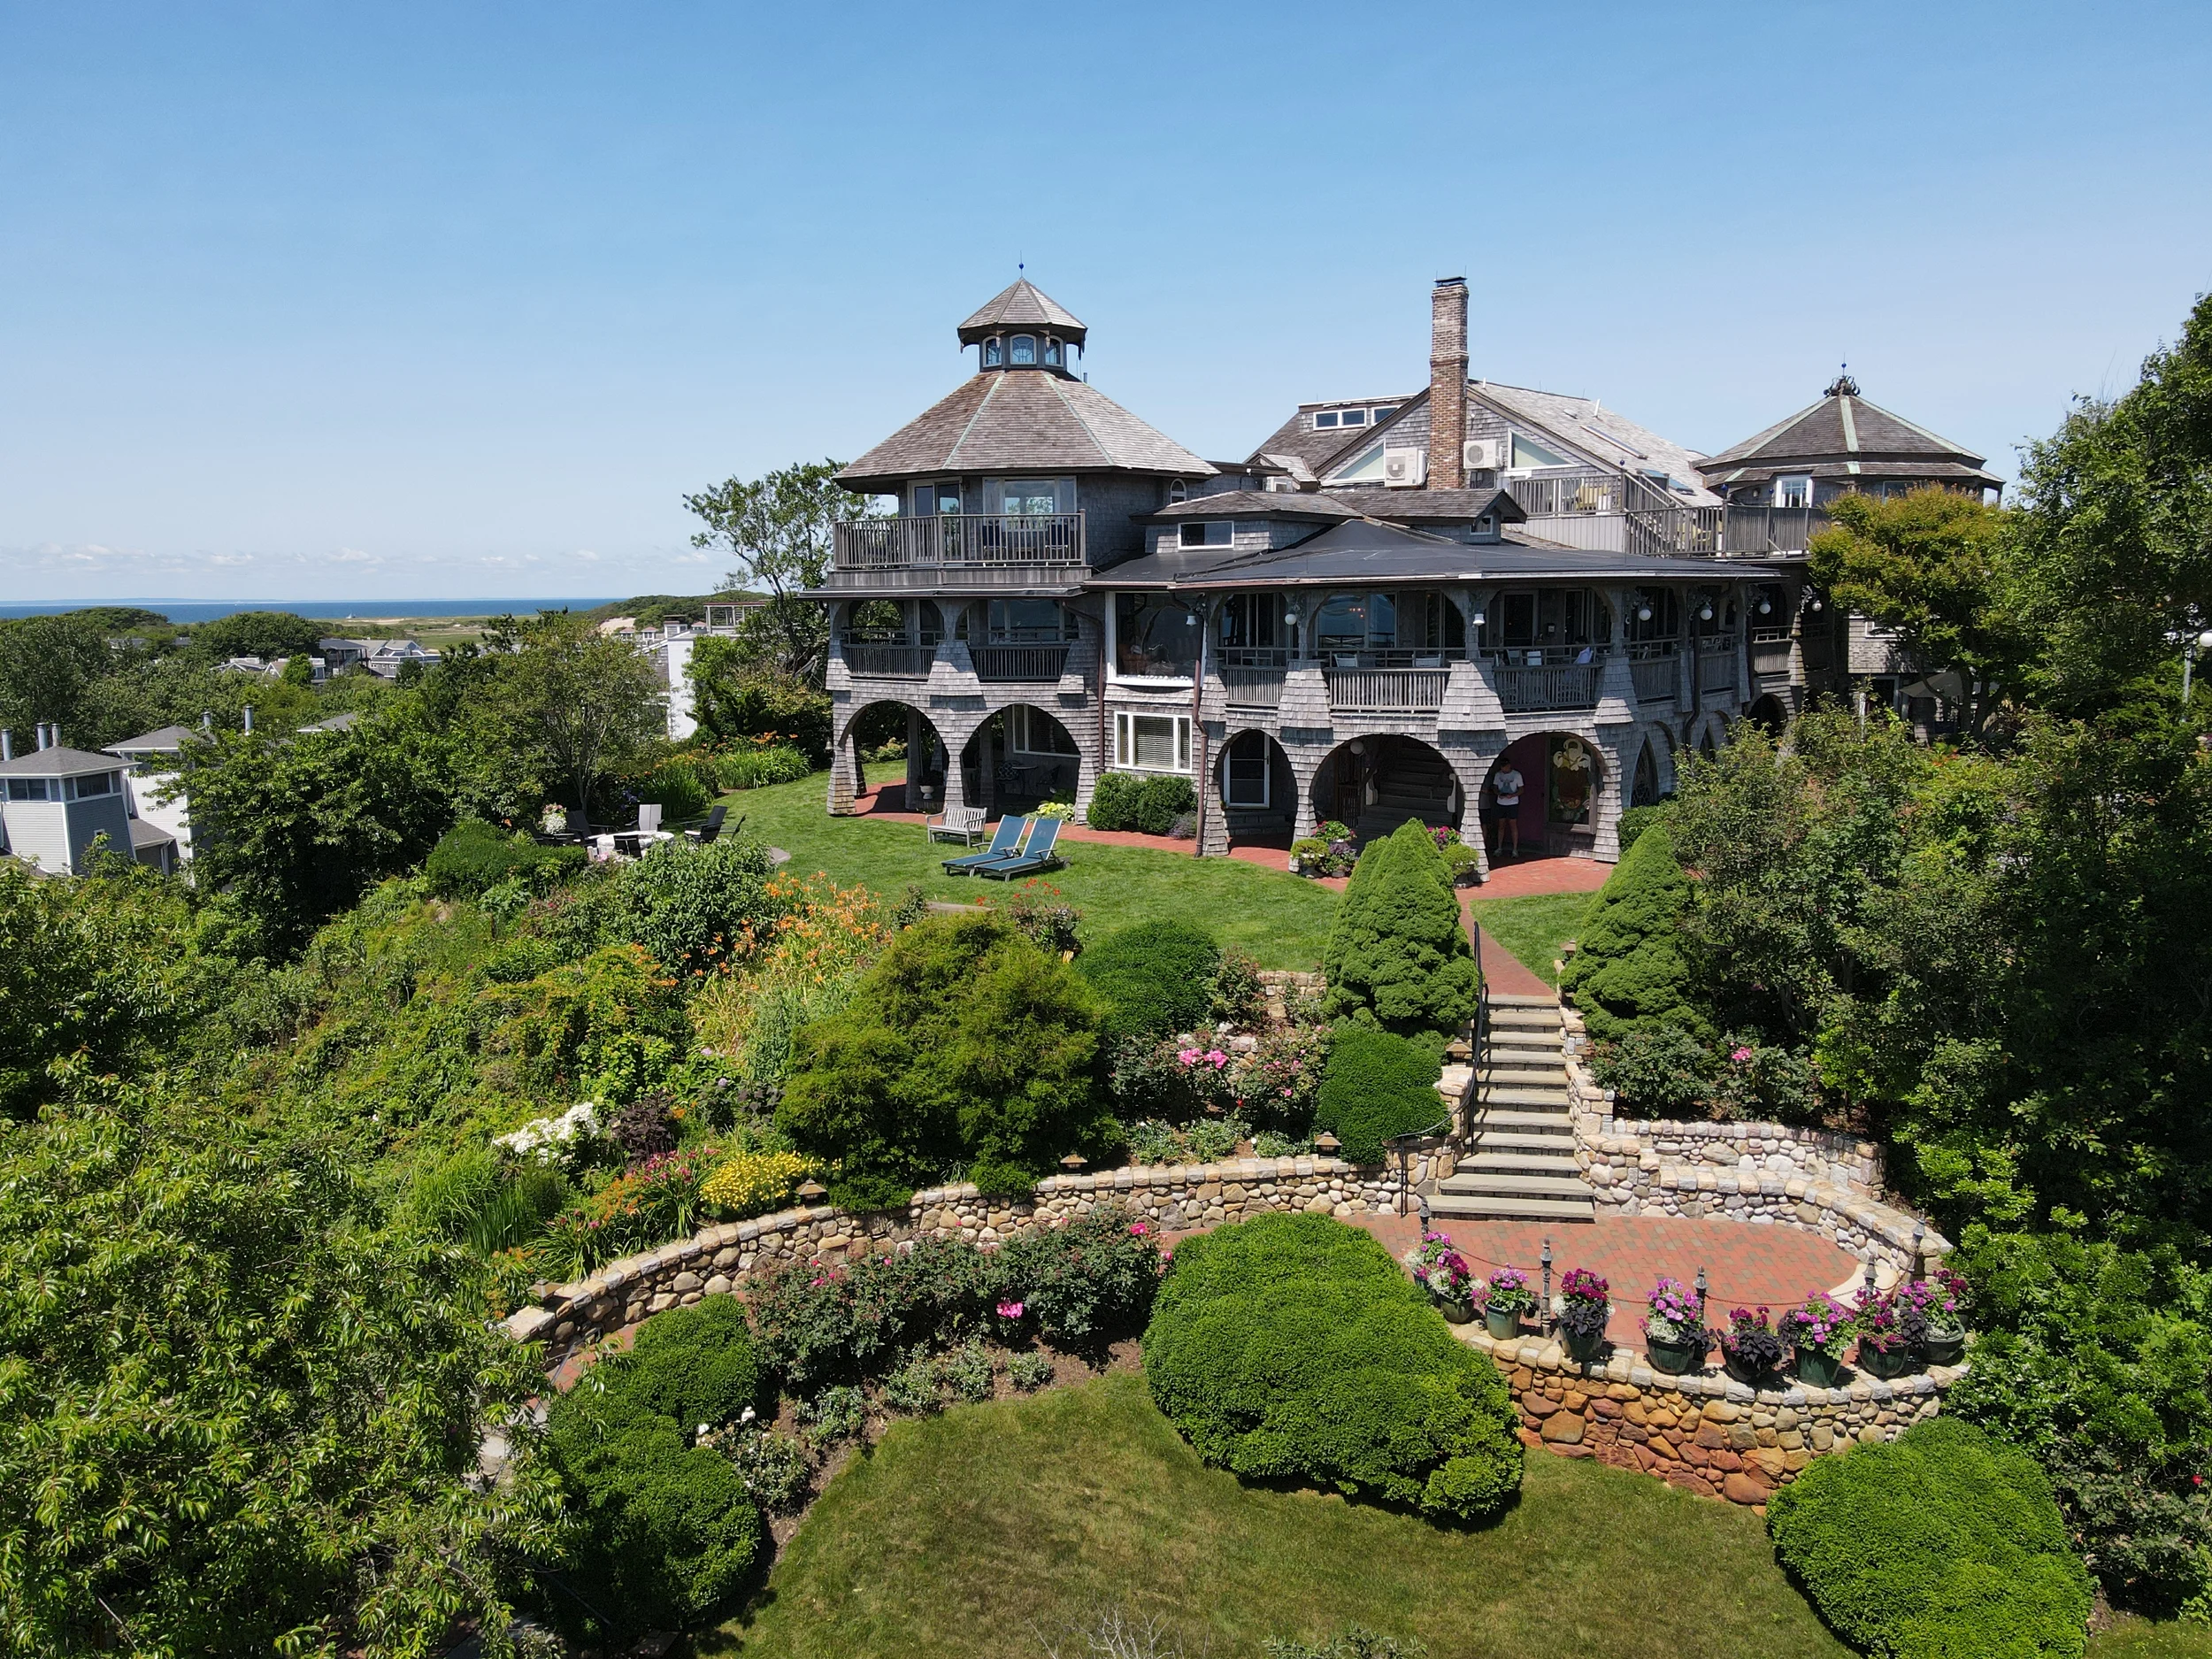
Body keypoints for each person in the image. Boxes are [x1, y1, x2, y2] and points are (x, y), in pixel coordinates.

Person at [1490, 759, 1524, 858]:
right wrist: (1498, 794)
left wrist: (1513, 795)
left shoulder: (1517, 775)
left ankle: (1515, 849)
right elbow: (1495, 787)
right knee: (1501, 825)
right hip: (1501, 802)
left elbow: (1521, 789)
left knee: (1513, 825)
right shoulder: (1498, 775)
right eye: (1502, 767)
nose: (1504, 769)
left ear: (1509, 766)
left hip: (1512, 803)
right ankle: (1499, 847)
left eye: (1505, 766)